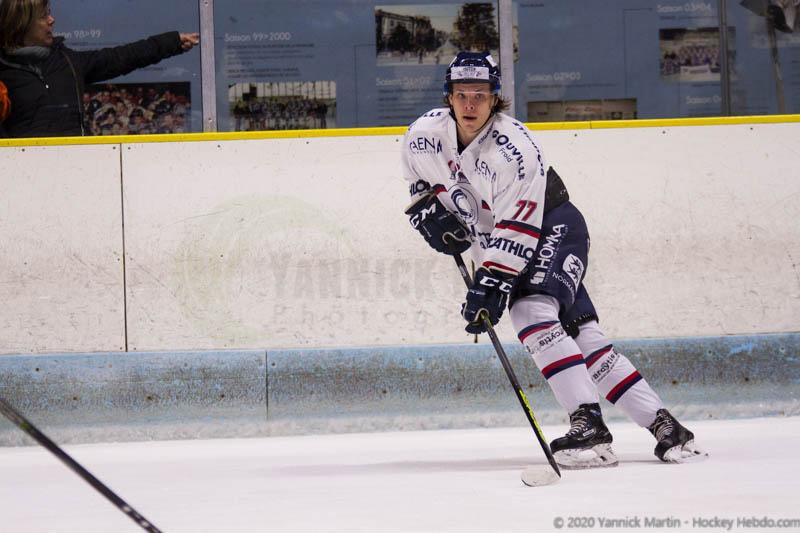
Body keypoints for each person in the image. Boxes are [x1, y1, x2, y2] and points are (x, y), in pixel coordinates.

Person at [401, 51, 706, 468]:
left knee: (531, 311)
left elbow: (519, 227)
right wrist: (425, 211)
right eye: (461, 95)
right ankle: (666, 427)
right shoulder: (422, 135)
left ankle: (589, 425)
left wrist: (491, 283)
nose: (470, 105)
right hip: (504, 240)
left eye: (480, 95)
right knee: (583, 338)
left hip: (551, 227)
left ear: (495, 97)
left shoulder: (514, 149)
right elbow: (418, 180)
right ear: (448, 97)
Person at [0, 0, 199, 138]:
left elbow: (122, 57)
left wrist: (171, 42)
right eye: (44, 16)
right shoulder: (4, 72)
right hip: (22, 175)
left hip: (76, 168)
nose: (52, 20)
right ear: (23, 23)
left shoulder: (68, 62)